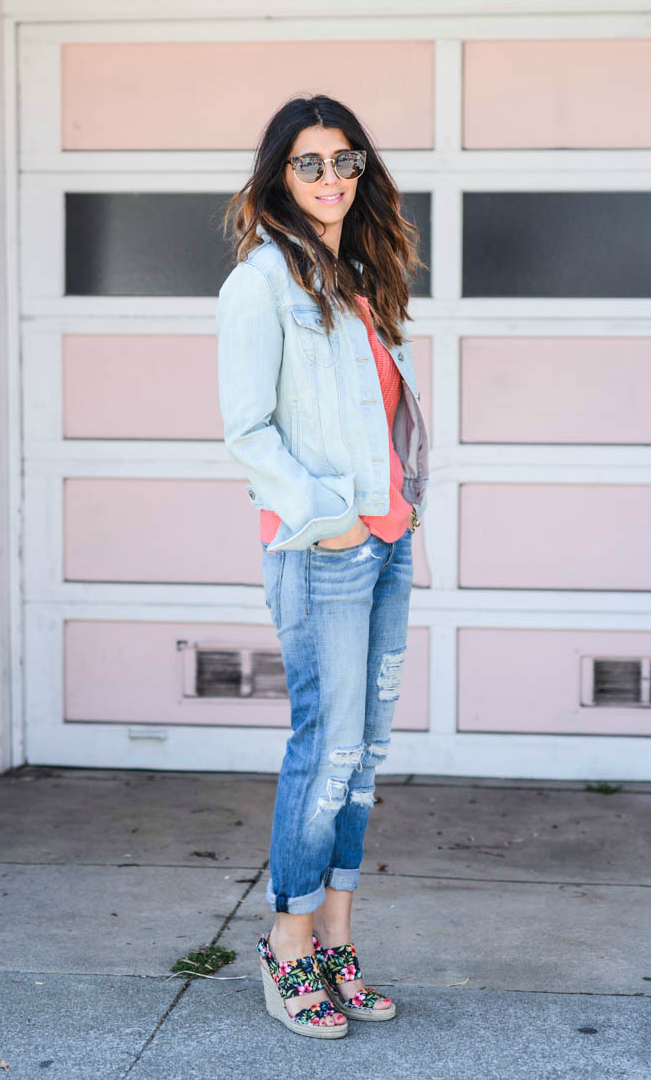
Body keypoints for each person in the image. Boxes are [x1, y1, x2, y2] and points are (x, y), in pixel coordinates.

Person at [216, 94, 430, 1039]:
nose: (332, 178)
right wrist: (332, 519)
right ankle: (288, 943)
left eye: (345, 161)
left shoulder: (361, 277)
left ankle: (337, 937)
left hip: (388, 540)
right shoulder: (261, 285)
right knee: (324, 745)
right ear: (278, 177)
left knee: (364, 753)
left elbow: (383, 412)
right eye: (310, 164)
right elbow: (247, 431)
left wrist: (398, 510)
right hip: (325, 549)